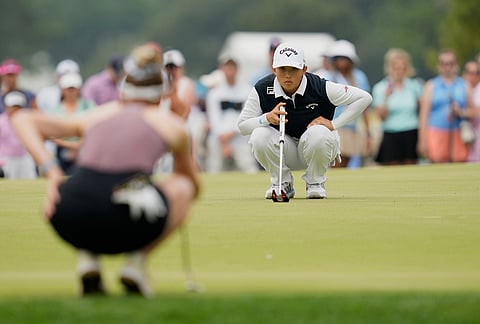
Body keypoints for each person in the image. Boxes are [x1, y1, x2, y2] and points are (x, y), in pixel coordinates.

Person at [11, 43, 201, 297]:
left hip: (69, 211)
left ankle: (88, 260)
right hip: (130, 215)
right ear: (160, 96)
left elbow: (22, 119)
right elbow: (191, 184)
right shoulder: (172, 126)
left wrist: (52, 172)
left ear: (123, 93)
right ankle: (135, 264)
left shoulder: (97, 115)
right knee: (181, 188)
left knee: (94, 192)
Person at [238, 43, 372, 199]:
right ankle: (282, 182)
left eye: (293, 69)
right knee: (259, 135)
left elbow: (364, 98)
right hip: (284, 151)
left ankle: (315, 182)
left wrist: (334, 124)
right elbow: (242, 126)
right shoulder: (262, 89)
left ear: (304, 69)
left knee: (320, 132)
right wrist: (266, 118)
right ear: (274, 69)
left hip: (315, 148)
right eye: (282, 69)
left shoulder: (320, 87)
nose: (287, 75)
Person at [418, 49, 475, 163]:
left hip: (458, 132)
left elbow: (474, 111)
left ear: (456, 65)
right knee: (437, 162)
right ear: (439, 65)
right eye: (444, 63)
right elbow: (424, 115)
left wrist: (461, 112)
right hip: (435, 131)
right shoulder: (431, 86)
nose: (447, 67)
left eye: (450, 63)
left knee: (459, 161)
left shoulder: (464, 85)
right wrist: (422, 140)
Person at [206, 55, 259, 173]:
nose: (229, 70)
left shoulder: (247, 90)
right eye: (226, 67)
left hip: (240, 136)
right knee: (214, 168)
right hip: (219, 137)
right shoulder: (215, 93)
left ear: (237, 69)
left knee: (248, 167)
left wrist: (232, 133)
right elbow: (214, 118)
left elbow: (248, 116)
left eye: (232, 67)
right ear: (221, 69)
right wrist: (223, 140)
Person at [371, 48, 423, 165]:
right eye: (396, 68)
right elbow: (381, 116)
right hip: (391, 133)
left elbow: (422, 111)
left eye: (402, 68)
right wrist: (386, 98)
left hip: (411, 132)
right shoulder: (381, 88)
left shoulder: (414, 86)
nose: (399, 71)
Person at [327, 40, 372, 168]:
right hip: (334, 125)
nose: (341, 62)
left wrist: (368, 133)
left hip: (352, 126)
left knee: (346, 162)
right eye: (338, 59)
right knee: (335, 162)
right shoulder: (329, 77)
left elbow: (365, 107)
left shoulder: (359, 77)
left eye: (344, 58)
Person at [48, 72, 96, 175]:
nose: (71, 92)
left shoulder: (88, 106)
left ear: (79, 89)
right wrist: (69, 145)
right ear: (62, 90)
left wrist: (80, 144)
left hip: (86, 148)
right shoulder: (55, 110)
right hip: (62, 150)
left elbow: (95, 127)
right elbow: (50, 134)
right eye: (68, 89)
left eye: (73, 89)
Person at [0, 91, 37, 179]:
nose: (15, 109)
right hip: (6, 159)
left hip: (25, 158)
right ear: (6, 107)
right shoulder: (1, 121)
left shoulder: (30, 120)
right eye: (13, 107)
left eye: (18, 107)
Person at [462, 60, 480, 162]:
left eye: (477, 73)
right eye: (470, 72)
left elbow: (477, 112)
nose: (473, 76)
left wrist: (462, 112)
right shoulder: (461, 87)